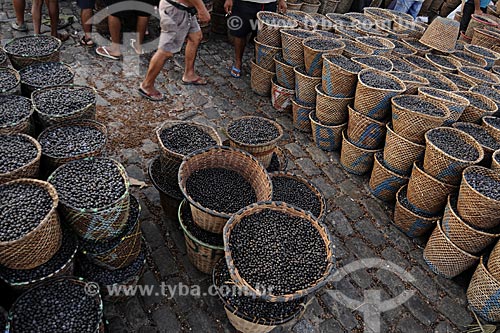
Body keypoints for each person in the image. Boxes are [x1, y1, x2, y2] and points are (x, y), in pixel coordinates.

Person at [138, 0, 211, 101]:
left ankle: (189, 74)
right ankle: (147, 85)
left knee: (195, 37)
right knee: (165, 51)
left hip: (185, 9)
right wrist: (201, 9)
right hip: (175, 10)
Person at [224, 0, 286, 78]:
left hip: (268, 3)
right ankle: (238, 62)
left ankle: (258, 65)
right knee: (240, 33)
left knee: (265, 37)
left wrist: (282, 0)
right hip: (244, 3)